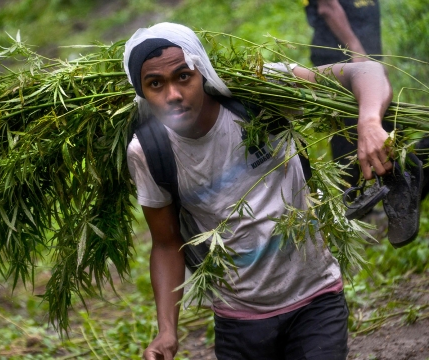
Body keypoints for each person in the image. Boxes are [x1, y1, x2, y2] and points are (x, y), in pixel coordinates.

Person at [124, 22, 393, 359]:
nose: (174, 94)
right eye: (155, 84)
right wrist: (167, 330)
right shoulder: (149, 151)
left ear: (202, 71)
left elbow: (365, 71)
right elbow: (166, 243)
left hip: (315, 297)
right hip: (239, 318)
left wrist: (369, 121)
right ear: (143, 94)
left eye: (183, 76)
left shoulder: (259, 92)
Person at [305, 0, 383, 188]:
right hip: (341, 57)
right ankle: (352, 206)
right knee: (348, 134)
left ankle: (372, 202)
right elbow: (328, 7)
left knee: (381, 125)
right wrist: (356, 49)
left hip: (366, 58)